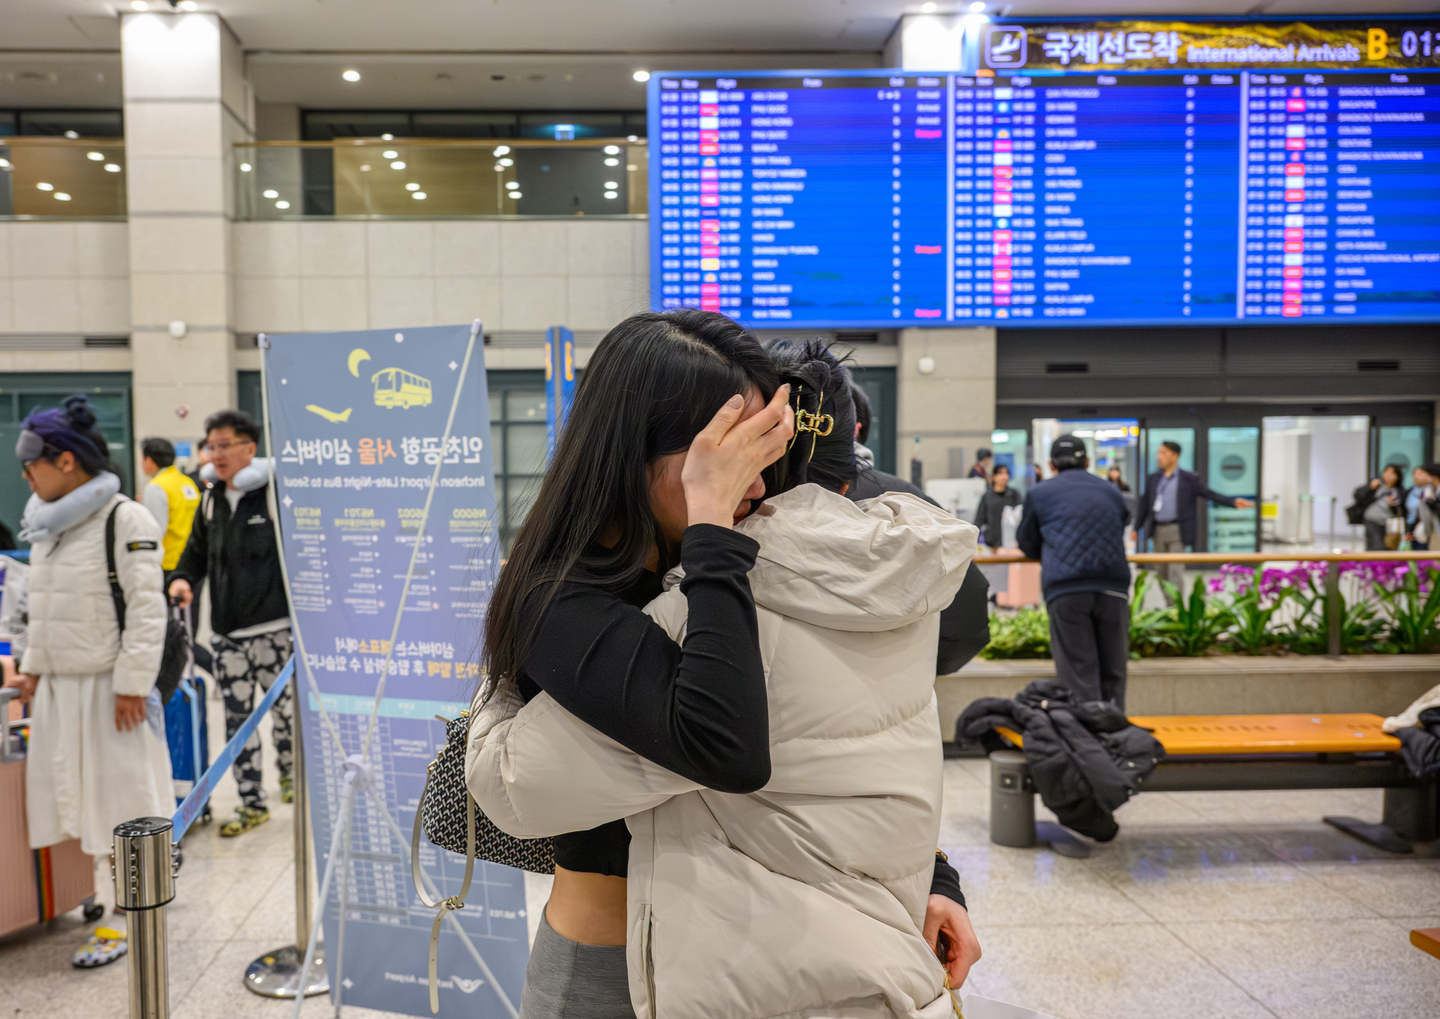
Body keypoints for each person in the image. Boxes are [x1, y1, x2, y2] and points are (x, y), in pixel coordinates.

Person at [466, 312, 971, 1018]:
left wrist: (935, 877)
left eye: (765, 455)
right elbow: (726, 746)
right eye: (730, 459)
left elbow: (833, 740)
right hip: (610, 971)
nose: (760, 488)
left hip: (758, 967)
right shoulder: (562, 594)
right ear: (636, 448)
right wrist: (710, 528)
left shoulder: (729, 553)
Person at [2, 395, 171, 968]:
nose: (25, 476)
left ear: (67, 461)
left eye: (33, 465)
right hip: (58, 687)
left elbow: (149, 610)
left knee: (122, 800)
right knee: (73, 798)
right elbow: (43, 607)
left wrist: (131, 683)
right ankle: (100, 892)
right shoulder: (48, 524)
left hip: (109, 689)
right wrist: (31, 668)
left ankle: (131, 914)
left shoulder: (126, 517)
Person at [167, 410, 293, 836]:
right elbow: (194, 552)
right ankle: (251, 801)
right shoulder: (211, 497)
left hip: (273, 631)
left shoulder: (274, 495)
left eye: (224, 445)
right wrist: (182, 578)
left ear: (249, 448)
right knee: (238, 721)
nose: (215, 454)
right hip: (225, 635)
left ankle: (290, 774)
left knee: (285, 714)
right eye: (211, 446)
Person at [848, 382, 990, 672]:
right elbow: (967, 616)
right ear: (856, 430)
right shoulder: (902, 498)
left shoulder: (759, 499)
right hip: (894, 689)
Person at [1016, 434, 1131, 708]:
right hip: (1112, 586)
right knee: (1113, 670)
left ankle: (1086, 740)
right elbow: (1122, 520)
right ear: (1088, 461)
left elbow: (1026, 541)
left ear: (1052, 464)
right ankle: (1117, 736)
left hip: (1066, 587)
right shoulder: (1110, 490)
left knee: (1079, 673)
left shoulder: (1039, 493)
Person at [1132, 440, 1254, 600]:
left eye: (1164, 453)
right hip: (1158, 530)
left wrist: (1232, 502)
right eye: (1159, 453)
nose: (1159, 456)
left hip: (1178, 530)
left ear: (1175, 456)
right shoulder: (1153, 478)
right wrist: (1136, 527)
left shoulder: (1188, 479)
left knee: (1175, 572)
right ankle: (1169, 608)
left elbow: (1209, 494)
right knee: (1161, 573)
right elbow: (1145, 504)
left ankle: (1176, 611)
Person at [139, 437, 203, 573]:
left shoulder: (156, 486)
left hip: (168, 562)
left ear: (149, 461)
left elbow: (156, 530)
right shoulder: (187, 482)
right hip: (193, 560)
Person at [1353, 463, 1408, 551]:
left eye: (1392, 473)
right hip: (1371, 521)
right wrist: (1370, 487)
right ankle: (1372, 564)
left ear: (1397, 476)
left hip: (1388, 524)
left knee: (1387, 546)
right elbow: (1358, 496)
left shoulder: (1399, 491)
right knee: (1374, 546)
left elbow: (1401, 510)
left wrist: (1392, 505)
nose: (1388, 475)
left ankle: (1386, 564)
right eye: (1386, 472)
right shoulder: (1377, 486)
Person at [972, 463, 1022, 549]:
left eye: (1006, 473)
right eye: (1001, 473)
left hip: (1011, 542)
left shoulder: (1014, 494)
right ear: (994, 476)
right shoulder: (987, 496)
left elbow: (1021, 516)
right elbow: (979, 519)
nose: (1004, 476)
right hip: (992, 542)